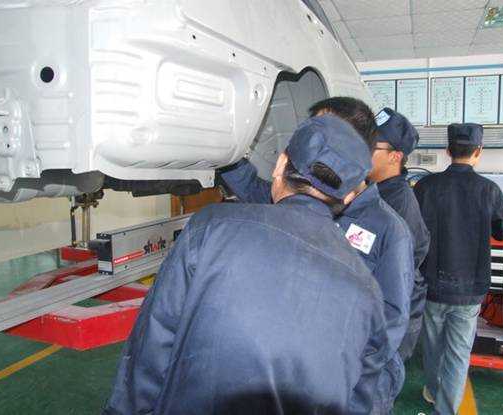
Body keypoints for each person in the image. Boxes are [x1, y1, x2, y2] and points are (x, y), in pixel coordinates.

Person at [103, 115, 389, 415]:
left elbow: (154, 344)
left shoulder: (211, 228)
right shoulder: (367, 290)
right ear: (349, 196)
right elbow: (362, 398)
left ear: (280, 165)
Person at [220, 97, 415, 415]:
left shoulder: (390, 230)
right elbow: (254, 188)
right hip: (291, 378)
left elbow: (389, 323)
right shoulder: (295, 198)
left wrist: (342, 381)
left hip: (355, 390)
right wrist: (225, 152)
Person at [414, 123, 503, 415]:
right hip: (469, 288)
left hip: (432, 283)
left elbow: (413, 231)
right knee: (458, 353)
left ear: (448, 151)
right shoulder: (488, 189)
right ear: (478, 152)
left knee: (432, 345)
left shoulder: (425, 187)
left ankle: (432, 390)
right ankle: (446, 409)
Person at [369, 108, 430, 361]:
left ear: (395, 157)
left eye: (371, 146)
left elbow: (404, 265)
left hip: (392, 321)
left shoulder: (397, 203)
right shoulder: (376, 191)